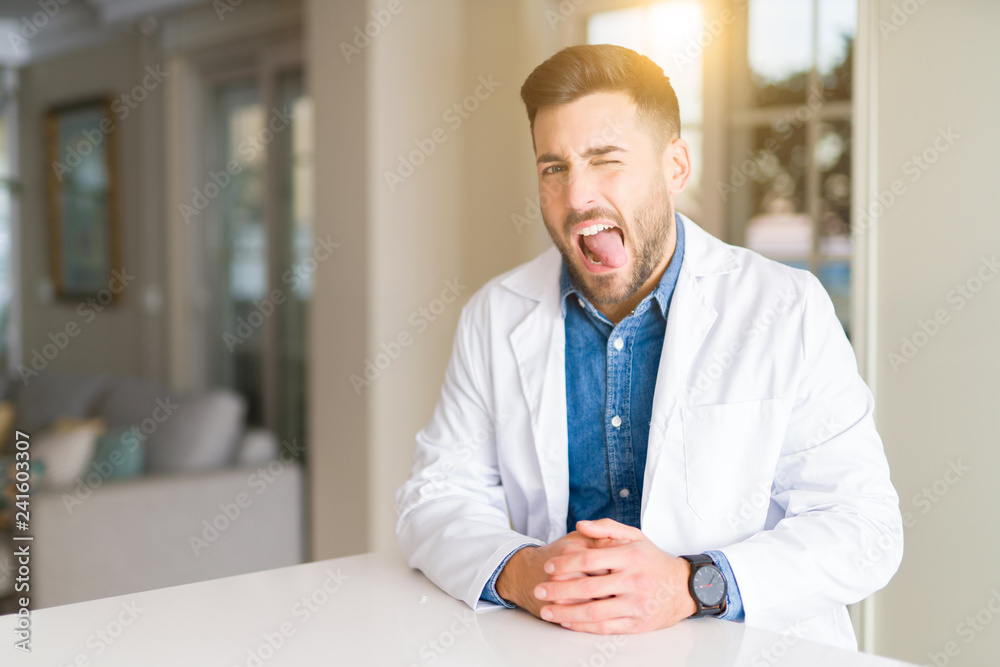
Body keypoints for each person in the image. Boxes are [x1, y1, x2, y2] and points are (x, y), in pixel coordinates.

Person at [395, 44, 901, 650]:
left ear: (676, 167)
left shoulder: (787, 308)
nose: (578, 196)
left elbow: (865, 529)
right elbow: (435, 499)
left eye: (605, 159)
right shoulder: (494, 315)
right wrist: (525, 573)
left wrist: (694, 584)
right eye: (553, 167)